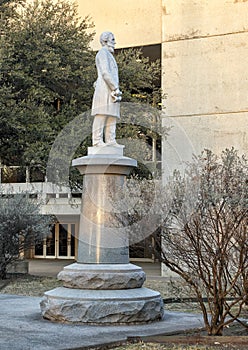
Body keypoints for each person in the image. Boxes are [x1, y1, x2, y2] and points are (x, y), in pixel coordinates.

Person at [91, 31, 122, 147]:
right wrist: (115, 87)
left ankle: (110, 140)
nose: (115, 42)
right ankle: (97, 141)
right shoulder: (102, 53)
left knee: (112, 115)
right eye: (112, 40)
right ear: (105, 41)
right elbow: (105, 73)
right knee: (101, 114)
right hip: (105, 89)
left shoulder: (108, 55)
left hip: (111, 91)